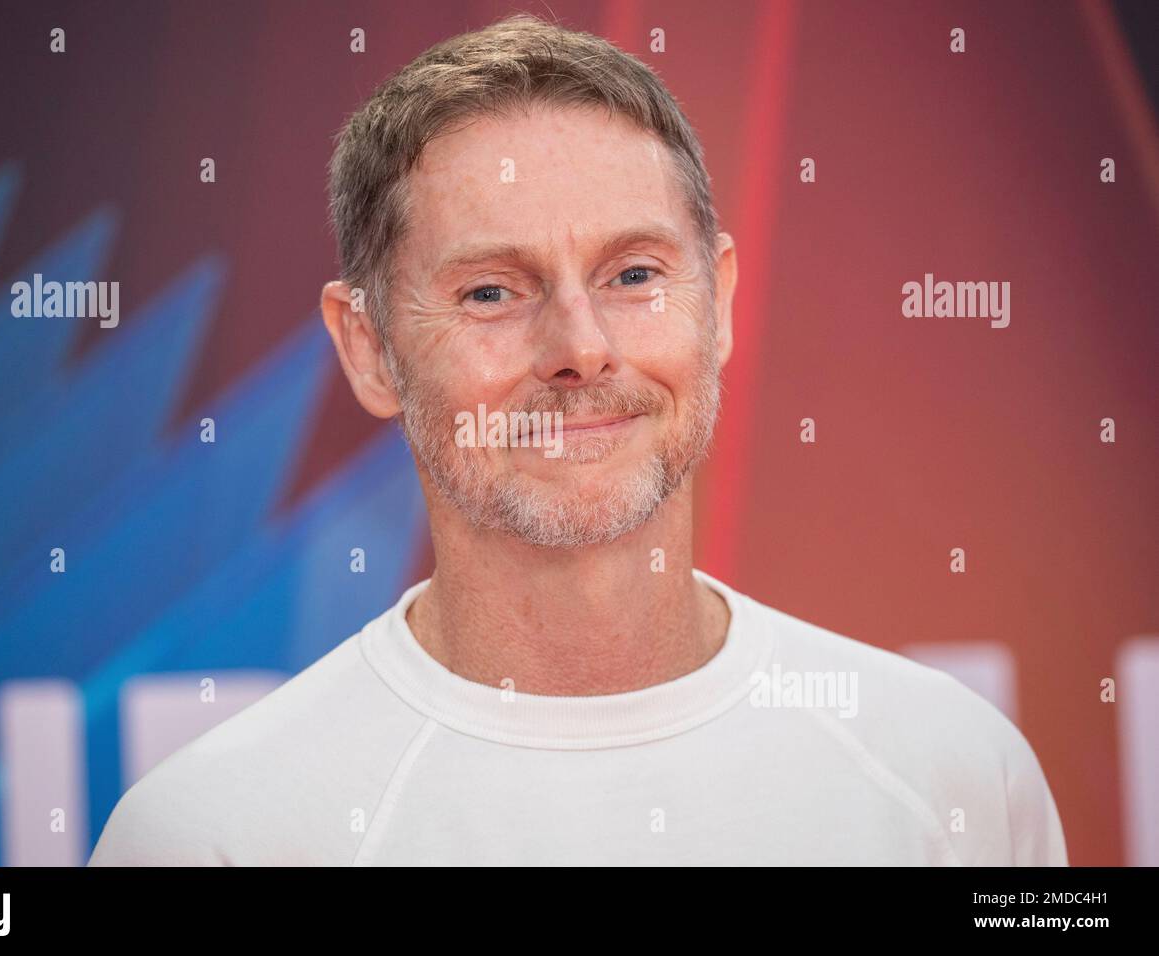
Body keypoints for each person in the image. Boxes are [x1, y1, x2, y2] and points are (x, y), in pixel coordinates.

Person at [89, 14, 1067, 866]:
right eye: (490, 291)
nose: (580, 349)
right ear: (370, 349)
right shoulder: (213, 833)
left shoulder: (949, 772)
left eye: (634, 275)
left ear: (716, 304)